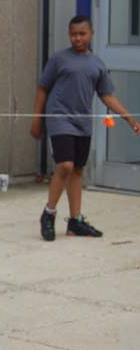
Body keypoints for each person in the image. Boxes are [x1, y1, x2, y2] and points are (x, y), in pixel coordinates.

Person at [31, 15, 140, 241]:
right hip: (59, 117)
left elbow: (106, 95)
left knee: (78, 169)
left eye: (82, 34)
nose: (77, 38)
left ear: (91, 35)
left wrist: (128, 118)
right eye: (73, 34)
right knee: (65, 166)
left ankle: (76, 221)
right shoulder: (59, 59)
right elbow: (42, 88)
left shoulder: (97, 64)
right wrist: (37, 120)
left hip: (83, 122)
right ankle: (48, 214)